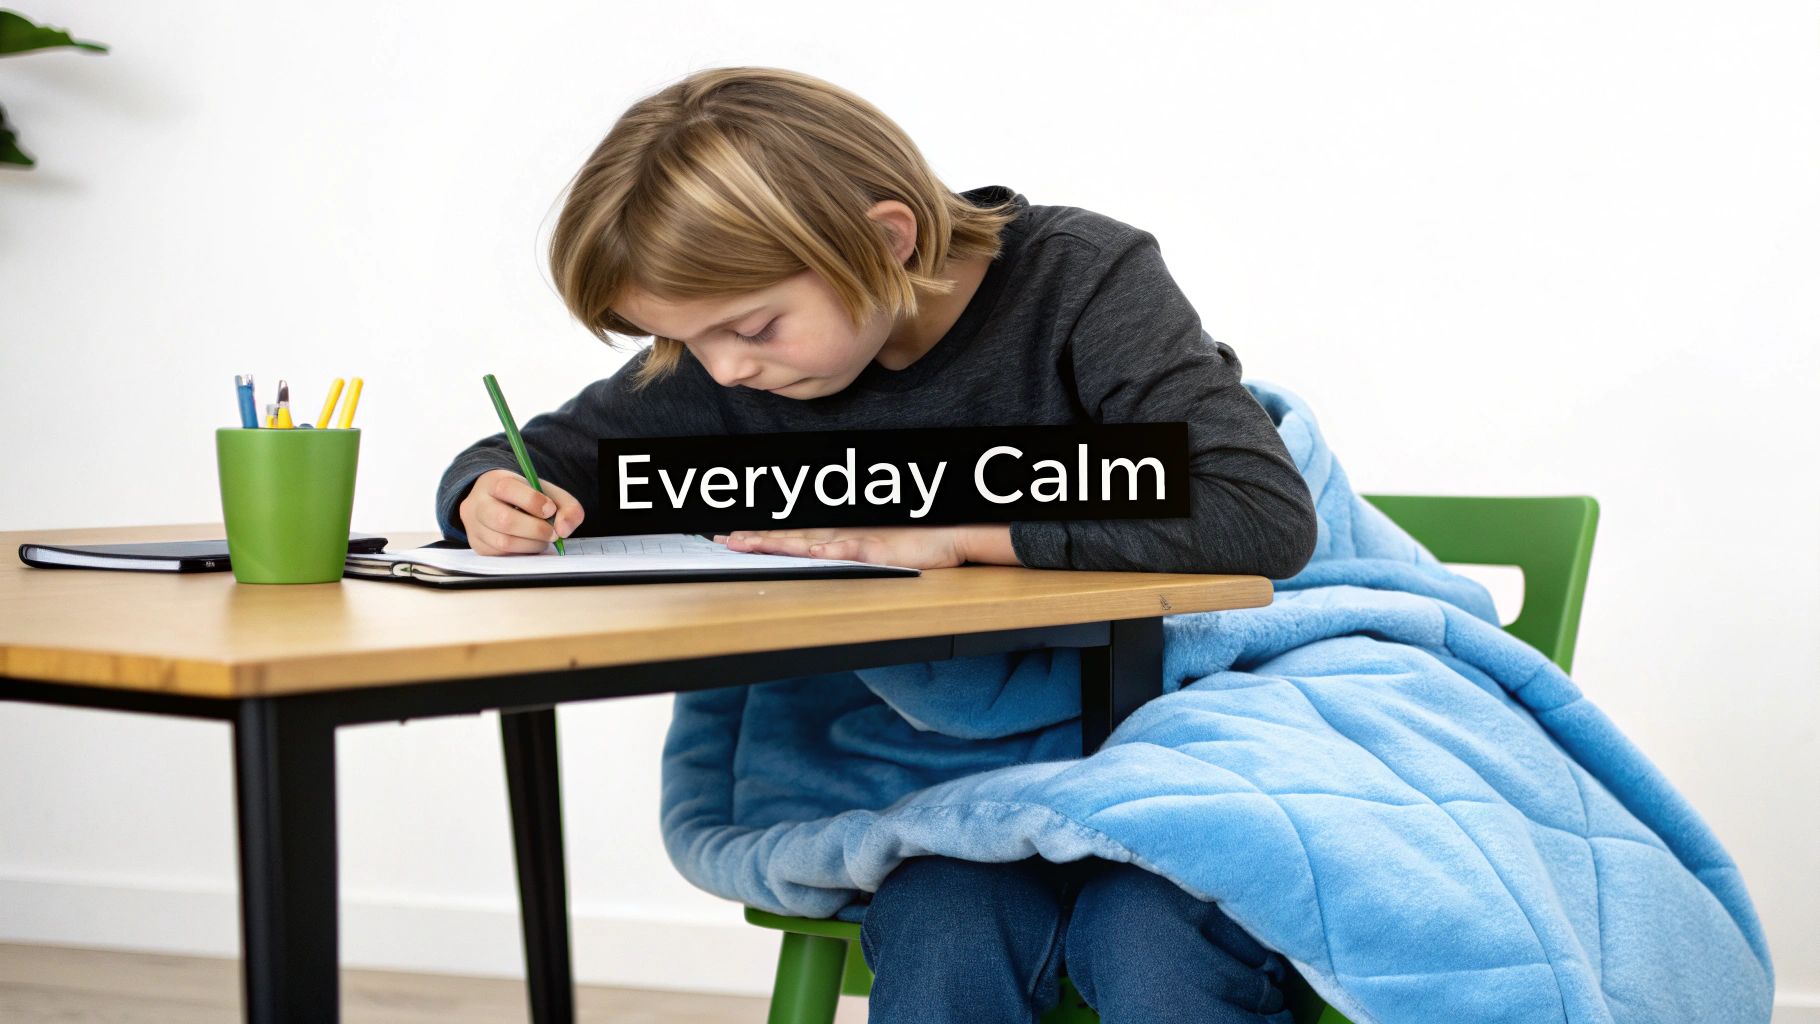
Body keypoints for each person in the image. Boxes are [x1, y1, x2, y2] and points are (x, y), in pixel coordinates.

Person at [435, 66, 1314, 1024]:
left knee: (1152, 934)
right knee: (944, 922)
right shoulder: (733, 366)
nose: (726, 369)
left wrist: (960, 536)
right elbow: (542, 454)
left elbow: (1260, 512)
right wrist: (491, 493)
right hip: (953, 781)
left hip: (1174, 730)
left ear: (886, 241)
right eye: (682, 342)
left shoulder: (1079, 278)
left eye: (754, 326)